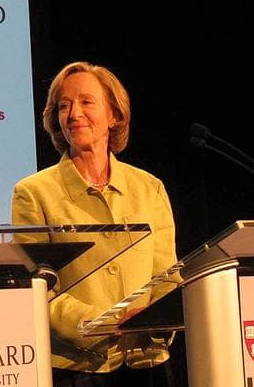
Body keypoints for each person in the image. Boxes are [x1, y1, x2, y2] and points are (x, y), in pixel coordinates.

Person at [11, 61, 178, 387]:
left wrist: (157, 323)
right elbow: (37, 289)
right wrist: (101, 324)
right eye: (64, 106)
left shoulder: (149, 188)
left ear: (114, 114)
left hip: (147, 362)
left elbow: (167, 275)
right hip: (78, 369)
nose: (74, 114)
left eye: (86, 102)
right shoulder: (33, 193)